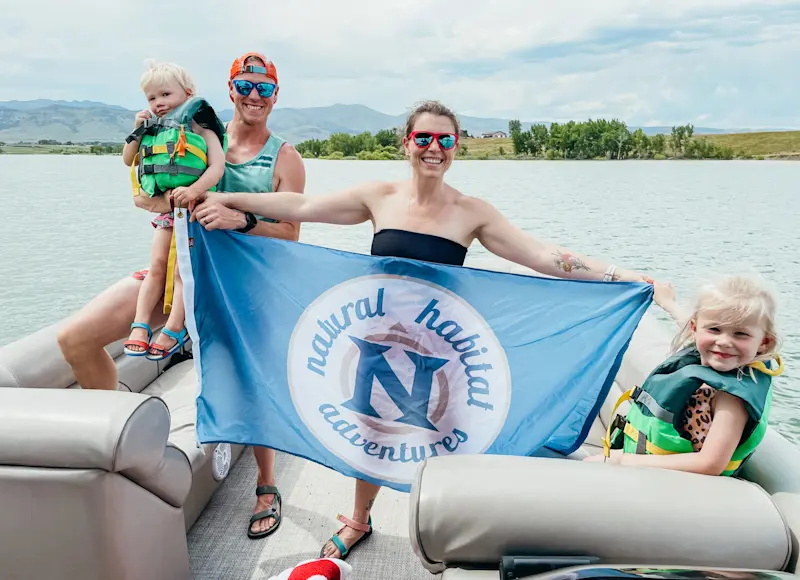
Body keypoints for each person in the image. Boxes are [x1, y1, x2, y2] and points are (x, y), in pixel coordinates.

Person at [180, 99, 670, 560]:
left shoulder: (472, 212)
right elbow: (302, 207)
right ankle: (359, 519)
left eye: (445, 140)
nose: (434, 148)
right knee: (372, 434)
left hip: (442, 350)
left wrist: (625, 277)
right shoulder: (379, 196)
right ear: (407, 143)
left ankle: (452, 526)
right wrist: (223, 197)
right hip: (379, 341)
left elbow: (544, 257)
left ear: (456, 147)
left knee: (451, 440)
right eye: (424, 138)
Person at [57, 51, 306, 541]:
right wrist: (157, 190)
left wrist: (241, 219)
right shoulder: (189, 129)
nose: (254, 95)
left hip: (238, 286)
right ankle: (124, 442)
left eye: (264, 88)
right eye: (245, 85)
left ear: (276, 95)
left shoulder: (285, 158)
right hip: (175, 271)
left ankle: (266, 484)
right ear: (230, 90)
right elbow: (142, 194)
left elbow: (291, 233)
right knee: (75, 339)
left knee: (252, 381)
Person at [584, 275, 784, 476]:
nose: (724, 341)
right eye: (715, 329)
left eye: (740, 334)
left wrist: (621, 460)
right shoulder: (714, 354)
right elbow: (695, 327)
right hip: (654, 462)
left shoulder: (732, 397)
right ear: (695, 329)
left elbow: (710, 464)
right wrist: (668, 302)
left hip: (682, 482)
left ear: (764, 343)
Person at [121, 60, 226, 361]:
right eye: (152, 98)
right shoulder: (151, 129)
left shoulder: (201, 127)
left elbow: (217, 167)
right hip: (168, 214)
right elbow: (128, 159)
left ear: (188, 93)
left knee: (182, 272)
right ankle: (140, 324)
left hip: (194, 213)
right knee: (156, 265)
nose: (159, 103)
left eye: (165, 94)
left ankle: (175, 327)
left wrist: (194, 190)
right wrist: (137, 130)